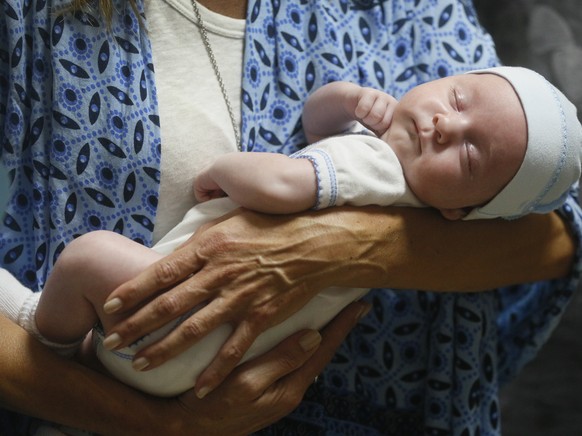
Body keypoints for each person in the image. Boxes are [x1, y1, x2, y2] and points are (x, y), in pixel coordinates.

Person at [1, 1, 580, 435]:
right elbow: (318, 129)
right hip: (186, 369)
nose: (444, 126)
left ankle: (43, 328)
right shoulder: (394, 161)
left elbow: (558, 236)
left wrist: (318, 235)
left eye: (470, 154)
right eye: (456, 100)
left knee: (89, 258)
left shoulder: (382, 158)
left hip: (179, 337)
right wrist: (348, 102)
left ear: (463, 208)